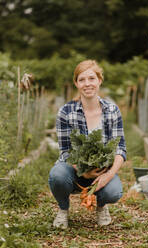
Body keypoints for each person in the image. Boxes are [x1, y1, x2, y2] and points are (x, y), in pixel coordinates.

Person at [48, 60, 126, 229]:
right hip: (74, 168)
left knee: (113, 192)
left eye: (92, 78)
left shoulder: (112, 110)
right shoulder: (66, 112)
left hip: (102, 170)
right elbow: (65, 151)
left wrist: (108, 175)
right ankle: (63, 209)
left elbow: (120, 149)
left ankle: (101, 206)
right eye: (82, 79)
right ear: (76, 83)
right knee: (57, 175)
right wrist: (84, 170)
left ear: (99, 80)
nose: (87, 84)